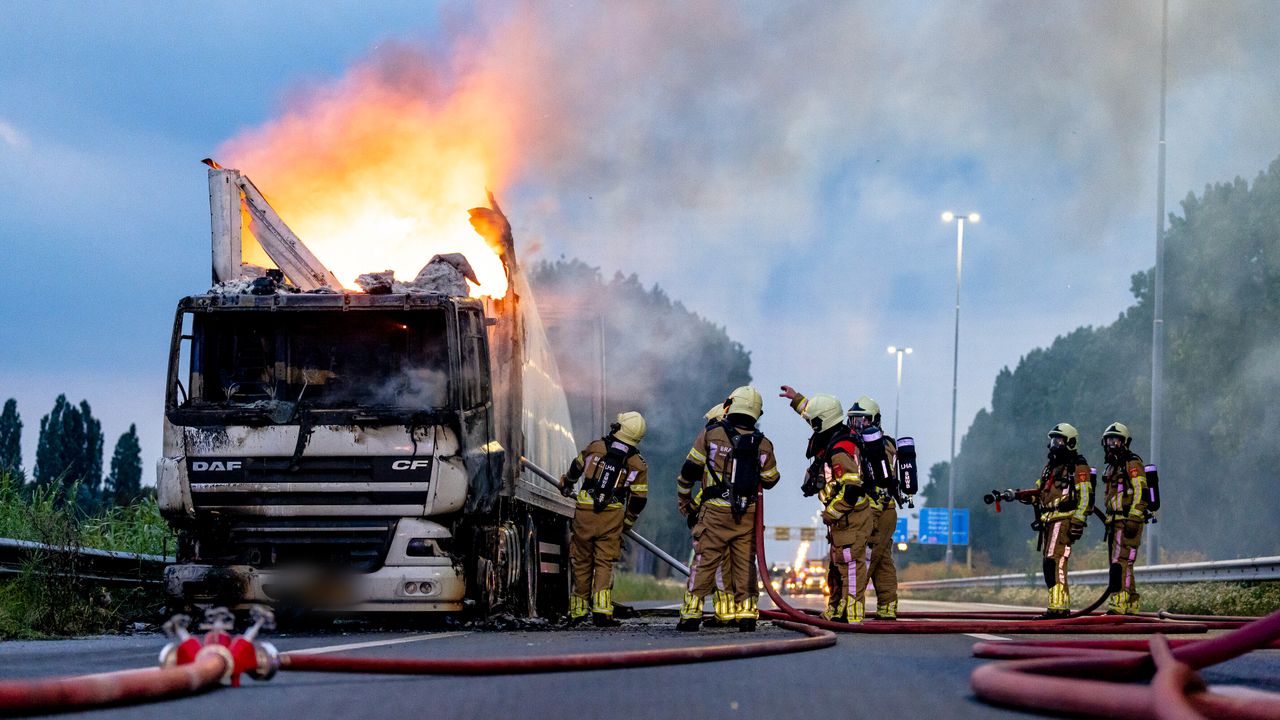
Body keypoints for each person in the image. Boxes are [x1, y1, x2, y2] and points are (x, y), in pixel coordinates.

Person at [677, 386, 780, 632]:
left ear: (731, 405)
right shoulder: (763, 443)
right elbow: (771, 479)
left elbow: (690, 470)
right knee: (744, 564)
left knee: (705, 562)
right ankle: (747, 615)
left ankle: (691, 614)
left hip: (714, 512)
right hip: (746, 515)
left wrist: (685, 500)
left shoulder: (711, 434)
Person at [781, 388, 874, 623]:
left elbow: (852, 488)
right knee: (838, 565)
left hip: (850, 515)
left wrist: (831, 513)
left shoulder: (840, 449)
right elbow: (816, 414)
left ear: (824, 421)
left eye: (815, 423)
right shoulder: (834, 435)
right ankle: (838, 609)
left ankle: (852, 615)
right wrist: (797, 400)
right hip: (843, 518)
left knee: (850, 565)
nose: (812, 426)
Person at [559, 411, 649, 627]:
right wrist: (628, 522)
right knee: (604, 562)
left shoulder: (596, 447)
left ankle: (578, 611)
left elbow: (575, 468)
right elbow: (638, 499)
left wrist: (567, 483)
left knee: (581, 561)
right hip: (611, 516)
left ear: (619, 427)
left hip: (585, 512)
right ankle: (601, 610)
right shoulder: (637, 463)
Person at [847, 396, 900, 620]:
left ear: (875, 420)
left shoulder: (879, 446)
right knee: (883, 559)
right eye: (854, 420)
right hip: (882, 509)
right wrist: (798, 401)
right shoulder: (877, 444)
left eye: (863, 420)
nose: (857, 426)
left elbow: (880, 482)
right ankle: (887, 607)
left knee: (864, 558)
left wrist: (870, 518)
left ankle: (851, 607)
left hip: (877, 510)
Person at [1035, 422, 1092, 620]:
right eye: (1053, 440)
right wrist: (1019, 495)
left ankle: (1059, 608)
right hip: (1049, 520)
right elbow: (1040, 491)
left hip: (1064, 519)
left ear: (1070, 442)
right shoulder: (1050, 468)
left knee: (1055, 561)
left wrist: (1078, 520)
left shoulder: (1078, 466)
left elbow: (1085, 496)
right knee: (1049, 563)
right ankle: (1057, 605)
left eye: (1059, 440)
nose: (1054, 445)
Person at [1099, 422, 1149, 615]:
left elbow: (1141, 492)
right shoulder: (1112, 467)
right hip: (1114, 521)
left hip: (1128, 520)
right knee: (1124, 563)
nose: (1111, 444)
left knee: (1120, 562)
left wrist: (1134, 518)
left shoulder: (1132, 463)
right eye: (1109, 440)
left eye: (1116, 440)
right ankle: (1131, 602)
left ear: (1125, 442)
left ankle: (1118, 602)